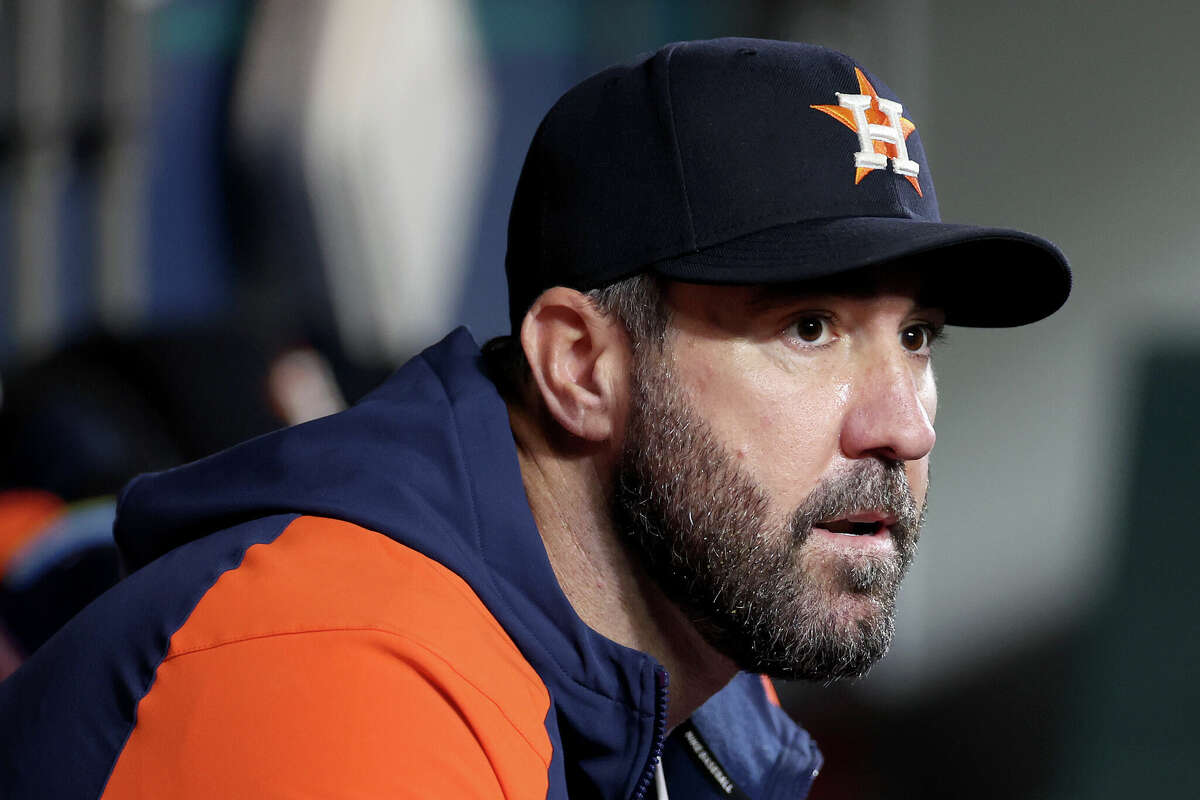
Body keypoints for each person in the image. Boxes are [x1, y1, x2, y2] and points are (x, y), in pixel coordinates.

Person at [0, 38, 1069, 799]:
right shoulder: (342, 680)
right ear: (578, 364)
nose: (904, 424)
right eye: (808, 327)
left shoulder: (698, 677)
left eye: (918, 336)